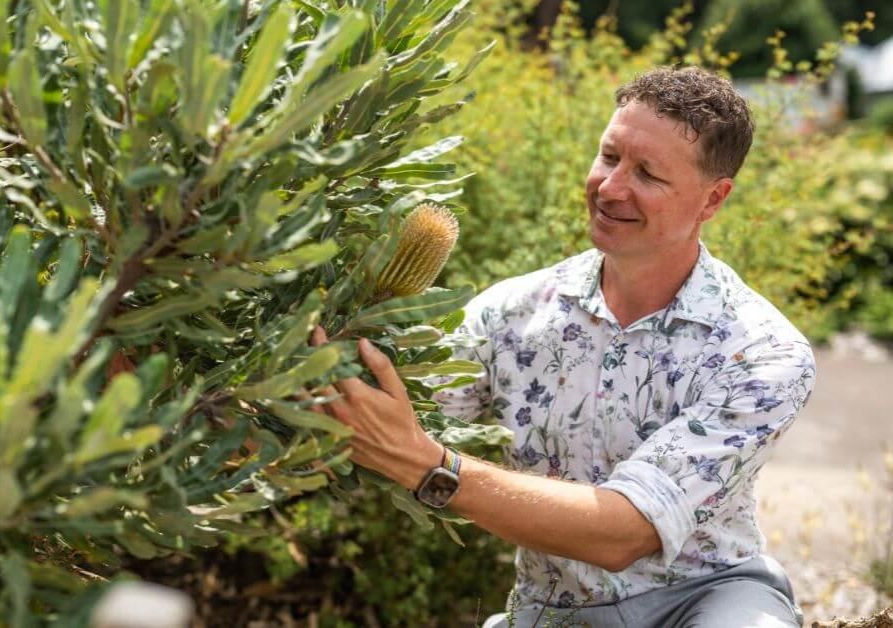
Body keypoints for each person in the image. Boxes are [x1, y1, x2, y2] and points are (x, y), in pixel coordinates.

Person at [310, 66, 815, 627]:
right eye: (609, 156)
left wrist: (434, 468)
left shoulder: (763, 352)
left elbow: (626, 532)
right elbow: (394, 420)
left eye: (647, 173)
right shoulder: (508, 314)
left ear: (712, 200)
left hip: (707, 600)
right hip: (551, 611)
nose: (611, 187)